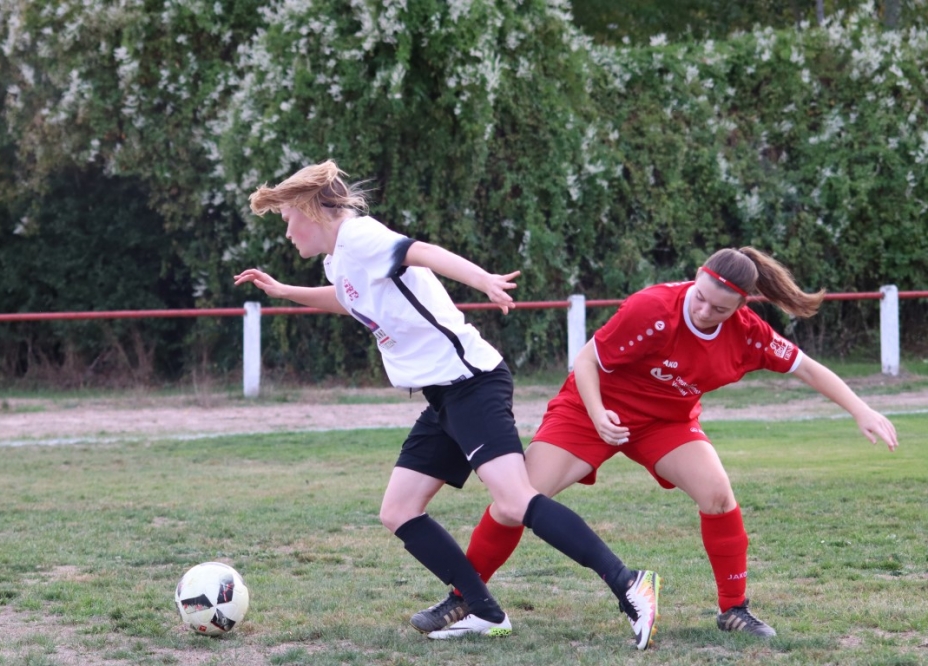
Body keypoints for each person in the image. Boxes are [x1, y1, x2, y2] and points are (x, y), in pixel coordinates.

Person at [234, 160, 661, 648]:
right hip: (442, 395)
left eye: (288, 218)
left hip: (471, 384)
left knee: (514, 499)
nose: (287, 232)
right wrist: (284, 291)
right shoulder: (340, 259)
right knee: (398, 510)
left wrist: (483, 280)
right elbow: (347, 299)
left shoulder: (359, 236)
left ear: (311, 211)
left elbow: (423, 252)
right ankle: (483, 610)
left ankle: (630, 583)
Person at [411, 246, 899, 638]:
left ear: (741, 307)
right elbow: (586, 361)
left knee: (718, 495)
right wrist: (599, 414)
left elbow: (807, 368)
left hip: (665, 423)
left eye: (719, 308)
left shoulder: (749, 334)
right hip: (590, 410)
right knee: (515, 500)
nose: (704, 310)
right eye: (700, 297)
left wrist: (861, 409)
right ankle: (464, 599)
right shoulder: (653, 307)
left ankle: (734, 610)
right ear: (697, 277)